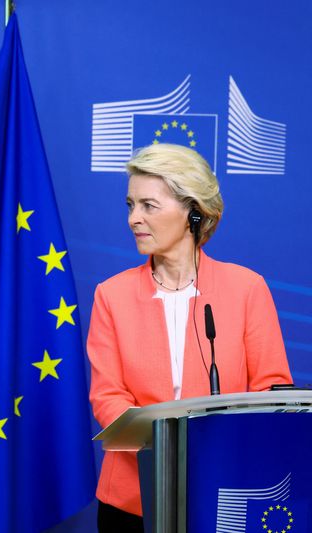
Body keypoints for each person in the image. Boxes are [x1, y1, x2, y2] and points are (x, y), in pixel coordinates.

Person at [86, 143, 292, 532]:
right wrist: (172, 448)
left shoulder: (247, 289)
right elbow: (107, 398)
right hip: (132, 500)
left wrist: (213, 450)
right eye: (130, 205)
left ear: (193, 212)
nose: (134, 219)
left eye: (149, 205)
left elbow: (270, 391)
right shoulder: (110, 295)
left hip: (228, 493)